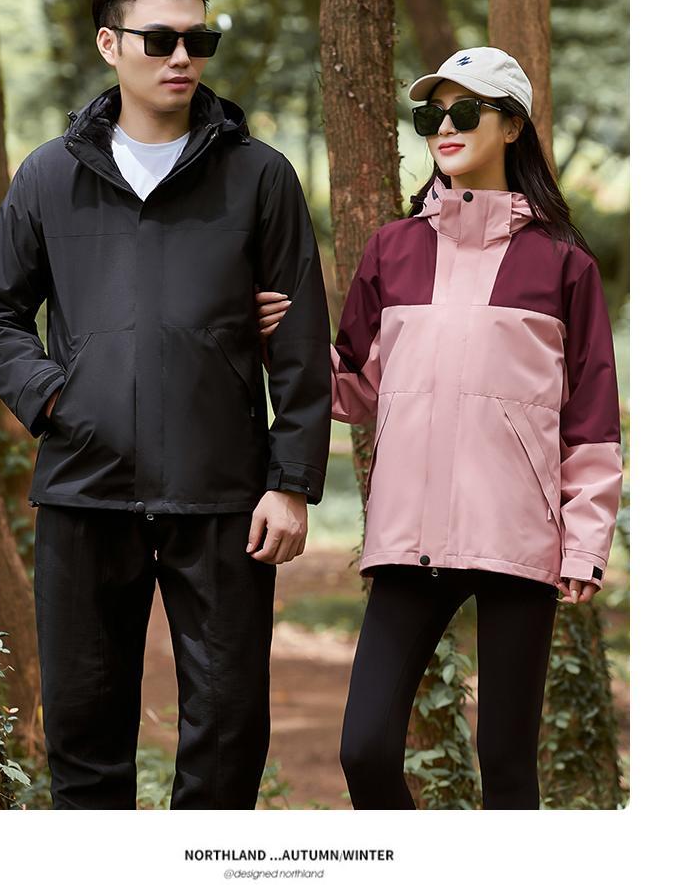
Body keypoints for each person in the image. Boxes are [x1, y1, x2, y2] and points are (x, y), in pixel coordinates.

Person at [0, 0, 332, 810]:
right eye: (159, 39)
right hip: (85, 489)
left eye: (199, 39)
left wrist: (291, 483)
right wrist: (57, 396)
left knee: (228, 736)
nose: (182, 57)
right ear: (109, 44)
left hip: (225, 494)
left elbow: (301, 342)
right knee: (84, 738)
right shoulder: (49, 176)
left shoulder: (260, 176)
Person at [255, 46, 623, 810]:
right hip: (410, 535)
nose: (444, 128)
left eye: (466, 112)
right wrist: (281, 341)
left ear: (513, 126)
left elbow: (590, 418)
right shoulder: (393, 248)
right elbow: (354, 386)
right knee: (364, 751)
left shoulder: (563, 264)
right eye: (431, 115)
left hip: (518, 540)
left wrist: (586, 544)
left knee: (508, 768)